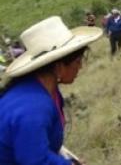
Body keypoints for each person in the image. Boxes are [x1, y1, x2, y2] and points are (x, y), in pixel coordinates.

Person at [0, 16, 102, 164]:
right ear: (58, 67)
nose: (80, 67)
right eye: (78, 61)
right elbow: (35, 161)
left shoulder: (41, 90)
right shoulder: (33, 108)